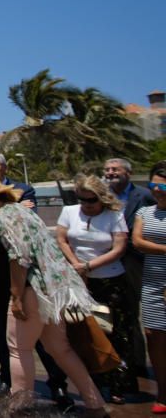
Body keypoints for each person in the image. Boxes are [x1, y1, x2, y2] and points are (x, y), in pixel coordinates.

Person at [0, 173, 107, 417]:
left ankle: (19, 409)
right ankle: (95, 403)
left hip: (35, 289)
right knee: (60, 349)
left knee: (18, 349)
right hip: (57, 287)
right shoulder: (23, 211)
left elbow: (19, 257)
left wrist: (17, 296)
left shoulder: (4, 216)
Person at [0, 150, 71, 408]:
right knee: (1, 323)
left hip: (27, 270)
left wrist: (3, 211)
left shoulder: (24, 188)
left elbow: (29, 218)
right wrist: (12, 209)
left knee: (40, 325)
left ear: (4, 167)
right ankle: (6, 376)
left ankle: (57, 381)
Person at [55, 174, 133, 402]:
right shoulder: (69, 212)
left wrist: (89, 266)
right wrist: (76, 265)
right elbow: (61, 239)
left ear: (101, 198)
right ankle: (93, 383)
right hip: (78, 281)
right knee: (85, 331)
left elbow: (119, 248)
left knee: (115, 331)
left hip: (109, 280)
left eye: (91, 200)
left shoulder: (114, 215)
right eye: (82, 199)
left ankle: (118, 384)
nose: (86, 205)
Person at [104, 157, 156, 383]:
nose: (110, 173)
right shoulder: (103, 197)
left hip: (138, 259)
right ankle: (130, 362)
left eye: (115, 169)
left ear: (128, 172)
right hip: (111, 260)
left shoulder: (144, 195)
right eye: (107, 170)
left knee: (146, 312)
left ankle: (146, 362)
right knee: (123, 312)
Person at [130, 160, 166, 413]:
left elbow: (145, 242)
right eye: (153, 184)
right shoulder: (145, 213)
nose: (157, 189)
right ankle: (163, 391)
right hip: (152, 281)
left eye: (163, 185)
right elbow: (137, 242)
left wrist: (153, 246)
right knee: (154, 336)